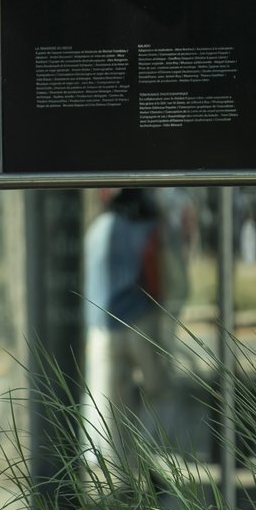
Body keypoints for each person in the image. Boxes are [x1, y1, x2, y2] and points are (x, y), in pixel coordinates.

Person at [82, 188, 170, 465]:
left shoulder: (96, 231)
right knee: (158, 392)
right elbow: (157, 278)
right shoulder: (148, 229)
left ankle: (111, 468)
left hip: (101, 328)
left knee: (106, 401)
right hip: (140, 320)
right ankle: (150, 455)